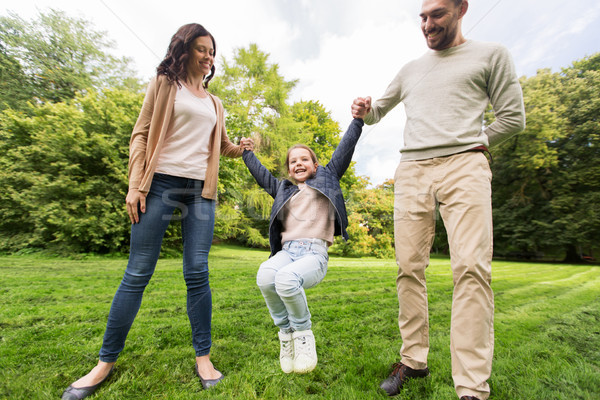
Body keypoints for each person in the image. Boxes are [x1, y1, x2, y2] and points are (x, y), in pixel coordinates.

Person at [61, 23, 254, 400]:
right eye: (201, 49)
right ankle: (104, 363)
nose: (208, 56)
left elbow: (219, 146)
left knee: (197, 270)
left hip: (201, 191)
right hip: (160, 184)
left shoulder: (215, 103)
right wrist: (136, 184)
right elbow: (141, 134)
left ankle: (204, 358)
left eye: (212, 51)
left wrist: (240, 147)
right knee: (137, 272)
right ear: (184, 49)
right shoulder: (164, 85)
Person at [351, 1, 525, 399]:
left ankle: (471, 387)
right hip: (412, 169)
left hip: (466, 166)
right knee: (408, 267)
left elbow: (513, 116)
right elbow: (379, 109)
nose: (428, 24)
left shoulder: (491, 55)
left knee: (471, 269)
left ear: (462, 8)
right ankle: (413, 359)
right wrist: (366, 108)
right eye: (423, 17)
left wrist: (475, 143)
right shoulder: (411, 69)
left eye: (438, 15)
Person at [242, 118, 364, 374]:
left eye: (304, 159)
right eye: (293, 161)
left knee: (286, 280)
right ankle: (286, 335)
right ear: (289, 170)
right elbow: (261, 174)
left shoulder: (328, 179)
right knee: (265, 276)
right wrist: (247, 153)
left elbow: (345, 148)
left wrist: (357, 121)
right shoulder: (283, 190)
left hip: (314, 254)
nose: (298, 163)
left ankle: (303, 335)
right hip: (288, 252)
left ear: (315, 165)